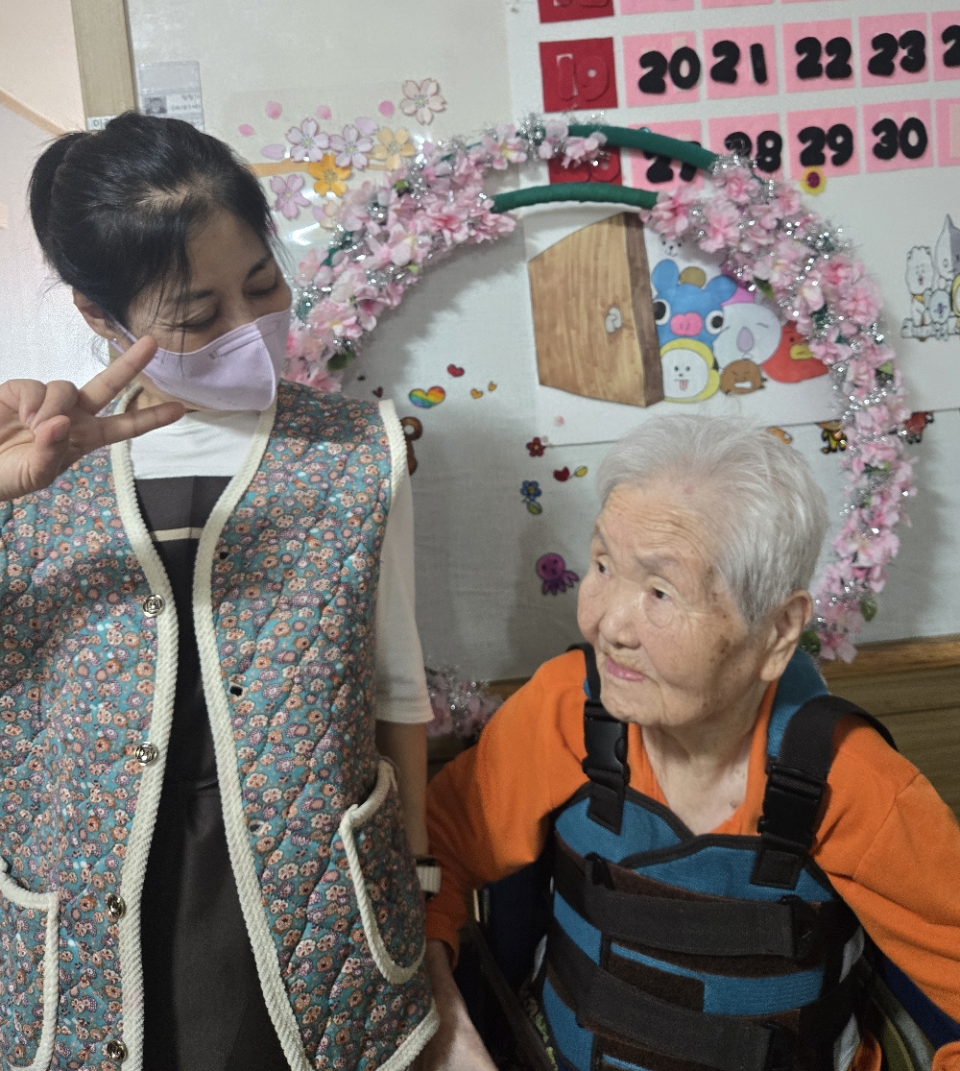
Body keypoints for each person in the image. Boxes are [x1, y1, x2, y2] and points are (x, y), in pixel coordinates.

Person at [0, 113, 439, 1071]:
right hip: (89, 906)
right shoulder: (35, 469)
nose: (248, 330)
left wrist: (419, 887)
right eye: (198, 317)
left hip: (315, 902)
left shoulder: (358, 452)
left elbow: (397, 690)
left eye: (263, 284)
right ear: (98, 317)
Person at [421, 417, 960, 1071]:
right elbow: (430, 855)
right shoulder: (565, 709)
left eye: (660, 591)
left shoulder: (854, 784)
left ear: (778, 631)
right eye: (602, 565)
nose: (607, 624)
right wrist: (447, 1027)